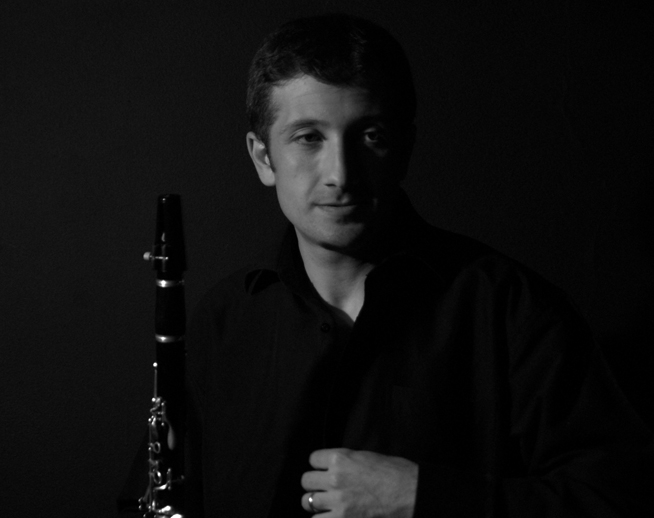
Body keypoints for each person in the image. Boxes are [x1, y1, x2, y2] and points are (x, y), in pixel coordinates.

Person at [120, 13, 653, 517]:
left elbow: (618, 499)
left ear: (404, 147)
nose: (341, 174)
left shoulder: (512, 310)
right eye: (309, 138)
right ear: (263, 157)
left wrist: (427, 500)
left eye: (369, 135)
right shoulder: (225, 321)